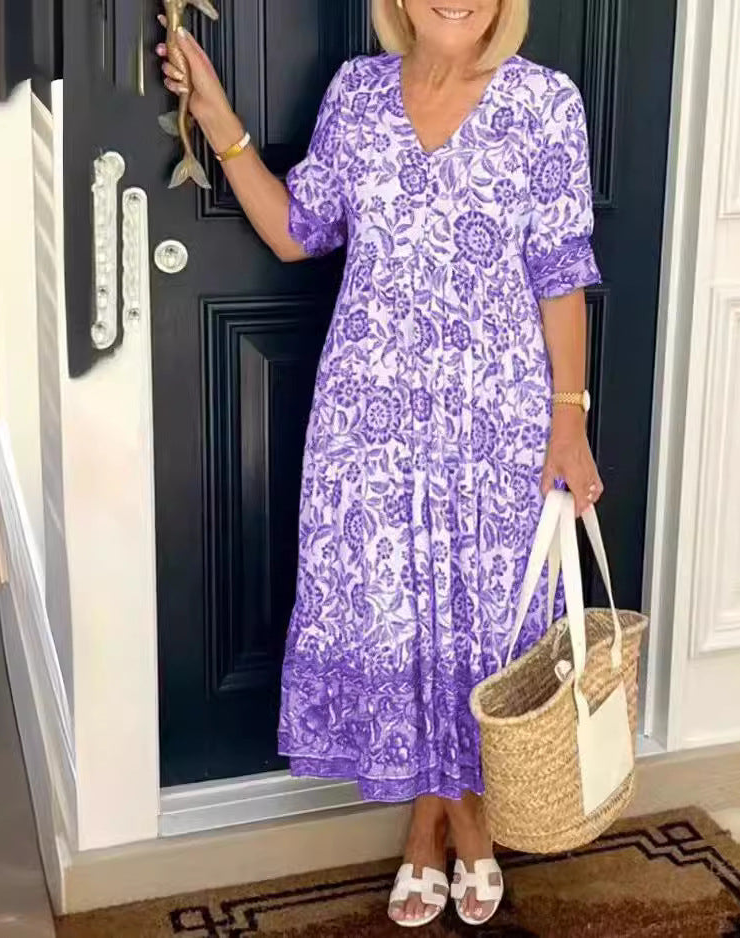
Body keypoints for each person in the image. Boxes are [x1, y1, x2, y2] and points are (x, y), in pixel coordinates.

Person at [157, 0, 603, 926]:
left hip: (497, 422)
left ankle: (445, 826)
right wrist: (215, 115)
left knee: (480, 627)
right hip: (371, 422)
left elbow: (561, 271)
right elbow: (297, 231)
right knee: (397, 620)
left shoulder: (545, 102)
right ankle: (448, 825)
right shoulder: (357, 94)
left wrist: (571, 422)